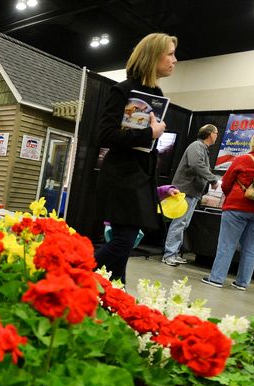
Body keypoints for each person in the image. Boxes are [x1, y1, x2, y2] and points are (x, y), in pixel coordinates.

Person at [94, 33, 177, 283]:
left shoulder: (156, 92)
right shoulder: (123, 90)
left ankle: (115, 299)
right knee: (123, 241)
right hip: (121, 177)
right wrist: (149, 133)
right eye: (170, 54)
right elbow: (105, 135)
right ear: (154, 56)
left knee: (124, 245)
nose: (175, 60)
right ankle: (73, 273)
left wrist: (160, 190)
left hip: (140, 177)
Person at [201, 127, 254, 291]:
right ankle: (242, 282)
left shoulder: (242, 159)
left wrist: (233, 197)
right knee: (252, 249)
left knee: (227, 244)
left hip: (237, 207)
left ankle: (217, 278)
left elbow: (226, 183)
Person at [162, 124, 220, 266]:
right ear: (210, 134)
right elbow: (196, 164)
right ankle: (169, 254)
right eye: (216, 133)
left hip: (192, 192)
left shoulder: (202, 148)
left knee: (183, 223)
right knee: (179, 222)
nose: (217, 136)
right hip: (185, 191)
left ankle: (173, 253)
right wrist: (212, 179)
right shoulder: (197, 146)